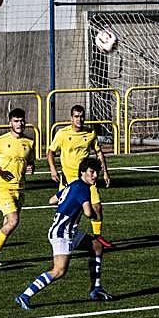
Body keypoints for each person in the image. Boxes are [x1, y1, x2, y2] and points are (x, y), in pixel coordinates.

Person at [15, 157, 110, 310]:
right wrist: (95, 216)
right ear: (82, 172)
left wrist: (68, 203)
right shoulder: (83, 188)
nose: (94, 176)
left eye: (96, 173)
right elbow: (87, 212)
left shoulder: (73, 185)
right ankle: (25, 295)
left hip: (68, 231)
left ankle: (96, 288)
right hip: (62, 233)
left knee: (97, 246)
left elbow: (51, 200)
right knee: (59, 270)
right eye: (91, 172)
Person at [47, 103, 113, 248]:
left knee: (97, 207)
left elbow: (98, 152)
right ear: (71, 118)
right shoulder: (62, 134)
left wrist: (106, 172)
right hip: (68, 180)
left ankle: (97, 236)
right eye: (76, 117)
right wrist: (53, 169)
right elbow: (50, 152)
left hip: (87, 179)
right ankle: (63, 236)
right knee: (67, 211)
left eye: (82, 116)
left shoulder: (90, 134)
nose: (79, 119)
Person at [0, 107, 35, 267]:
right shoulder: (1, 140)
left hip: (20, 189)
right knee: (13, 221)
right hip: (3, 188)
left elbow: (31, 162)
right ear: (10, 123)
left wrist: (31, 167)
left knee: (7, 223)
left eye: (21, 120)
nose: (19, 124)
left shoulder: (29, 142)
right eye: (16, 121)